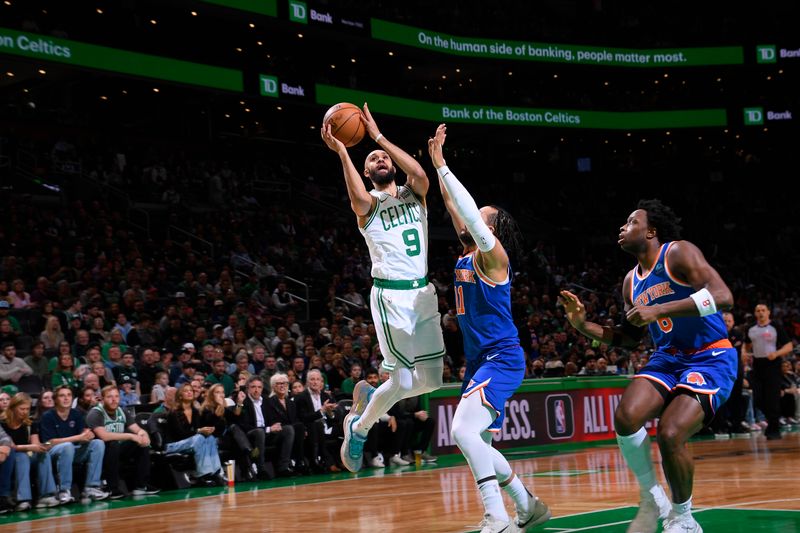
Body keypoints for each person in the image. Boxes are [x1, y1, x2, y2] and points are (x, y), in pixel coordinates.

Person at [559, 199, 737, 533]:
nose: (622, 228)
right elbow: (628, 339)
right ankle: (655, 496)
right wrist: (583, 325)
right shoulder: (630, 282)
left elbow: (723, 296)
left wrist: (661, 310)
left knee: (670, 433)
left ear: (651, 231)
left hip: (709, 356)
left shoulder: (678, 253)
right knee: (626, 417)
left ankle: (684, 517)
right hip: (667, 358)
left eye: (631, 222)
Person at [428, 124, 549, 533]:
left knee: (462, 429)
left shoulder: (492, 257)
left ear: (490, 230)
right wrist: (436, 165)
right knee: (478, 442)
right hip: (481, 360)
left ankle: (496, 516)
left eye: (478, 216)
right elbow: (452, 203)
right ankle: (526, 504)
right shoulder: (467, 252)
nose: (468, 217)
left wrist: (444, 166)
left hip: (502, 357)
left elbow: (462, 204)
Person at [321, 103, 445, 472]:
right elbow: (357, 197)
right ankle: (359, 427)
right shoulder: (368, 205)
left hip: (423, 294)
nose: (378, 159)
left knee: (433, 381)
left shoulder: (414, 194)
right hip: (391, 295)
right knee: (403, 377)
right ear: (365, 171)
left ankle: (373, 398)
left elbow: (421, 173)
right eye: (372, 159)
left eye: (382, 158)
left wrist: (377, 137)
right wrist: (344, 151)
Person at [39, 386, 108, 504]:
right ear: (55, 399)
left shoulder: (75, 414)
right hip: (51, 453)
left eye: (69, 395)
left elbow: (82, 435)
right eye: (62, 396)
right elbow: (48, 443)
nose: (66, 398)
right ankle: (64, 490)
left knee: (98, 443)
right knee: (67, 446)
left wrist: (87, 435)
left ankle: (91, 487)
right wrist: (78, 437)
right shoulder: (47, 416)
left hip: (73, 451)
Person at [86, 385, 158, 498]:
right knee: (113, 443)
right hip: (100, 453)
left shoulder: (122, 411)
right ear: (102, 399)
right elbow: (103, 436)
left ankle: (141, 486)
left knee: (141, 444)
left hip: (117, 450)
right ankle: (112, 488)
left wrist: (144, 436)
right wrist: (130, 436)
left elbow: (138, 430)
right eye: (109, 397)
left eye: (116, 396)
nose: (114, 399)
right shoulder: (96, 413)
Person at [743, 303, 793, 439]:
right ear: (755, 313)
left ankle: (774, 429)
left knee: (772, 398)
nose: (760, 313)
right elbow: (747, 345)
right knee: (758, 397)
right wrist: (745, 354)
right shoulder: (750, 328)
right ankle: (774, 419)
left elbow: (789, 346)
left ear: (768, 312)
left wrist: (776, 354)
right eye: (758, 310)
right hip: (758, 365)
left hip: (773, 364)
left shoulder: (776, 326)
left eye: (763, 310)